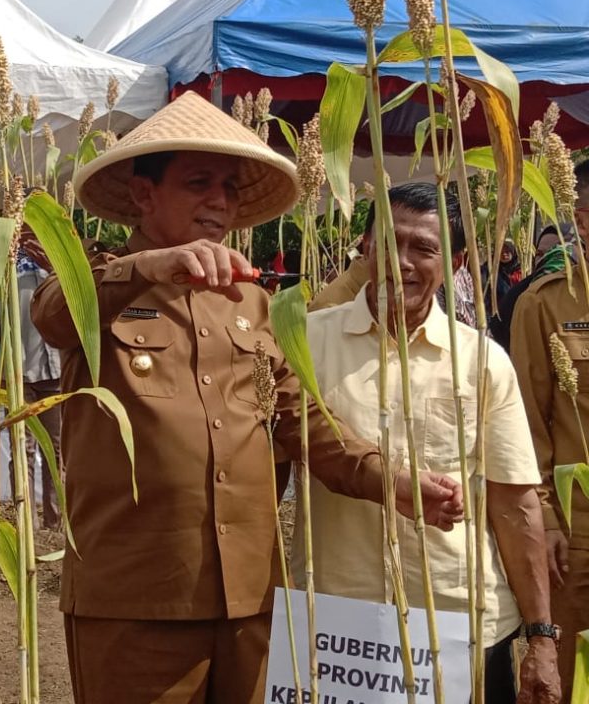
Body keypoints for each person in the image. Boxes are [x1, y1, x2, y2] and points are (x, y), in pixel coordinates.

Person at [30, 92, 464, 704]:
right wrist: (151, 266)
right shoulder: (96, 288)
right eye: (199, 182)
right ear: (144, 195)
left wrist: (389, 480)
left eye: (230, 188)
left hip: (248, 595)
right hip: (136, 598)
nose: (220, 200)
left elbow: (297, 416)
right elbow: (49, 313)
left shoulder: (251, 304)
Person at [300, 182, 560, 704]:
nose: (402, 263)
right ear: (366, 248)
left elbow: (516, 506)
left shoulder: (483, 362)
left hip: (459, 624)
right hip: (339, 625)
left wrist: (541, 638)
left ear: (457, 262)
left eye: (424, 248)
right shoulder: (306, 340)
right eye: (389, 243)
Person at [512, 160, 589, 702]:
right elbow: (525, 419)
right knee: (564, 677)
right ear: (582, 218)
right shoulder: (546, 301)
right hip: (576, 530)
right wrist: (545, 516)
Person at [16, 226, 62, 529]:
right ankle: (25, 523)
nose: (31, 235)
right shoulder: (5, 264)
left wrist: (53, 267)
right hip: (18, 368)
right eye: (26, 227)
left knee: (56, 448)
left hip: (57, 368)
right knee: (23, 447)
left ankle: (56, 521)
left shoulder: (62, 262)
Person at [490, 224, 576, 354]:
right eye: (540, 254)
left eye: (555, 252)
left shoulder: (582, 293)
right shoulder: (521, 297)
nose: (546, 259)